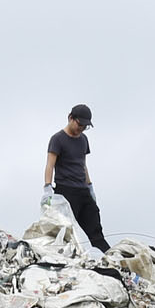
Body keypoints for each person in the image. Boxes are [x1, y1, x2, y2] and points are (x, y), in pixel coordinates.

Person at [42, 103, 110, 252]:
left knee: (95, 228)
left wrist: (90, 186)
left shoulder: (83, 140)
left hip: (83, 191)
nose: (82, 128)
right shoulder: (58, 139)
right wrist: (47, 188)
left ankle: (109, 257)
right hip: (66, 192)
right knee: (67, 232)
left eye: (86, 126)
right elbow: (50, 165)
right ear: (70, 118)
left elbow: (83, 164)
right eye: (80, 124)